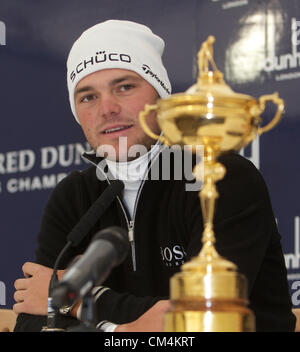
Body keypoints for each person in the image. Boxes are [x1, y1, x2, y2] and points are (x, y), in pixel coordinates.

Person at [13, 20, 296, 332]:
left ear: (161, 97)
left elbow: (197, 321)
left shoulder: (220, 178)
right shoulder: (73, 196)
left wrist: (78, 301)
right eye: (87, 97)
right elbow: (32, 320)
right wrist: (120, 330)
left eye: (125, 87)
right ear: (76, 114)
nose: (107, 108)